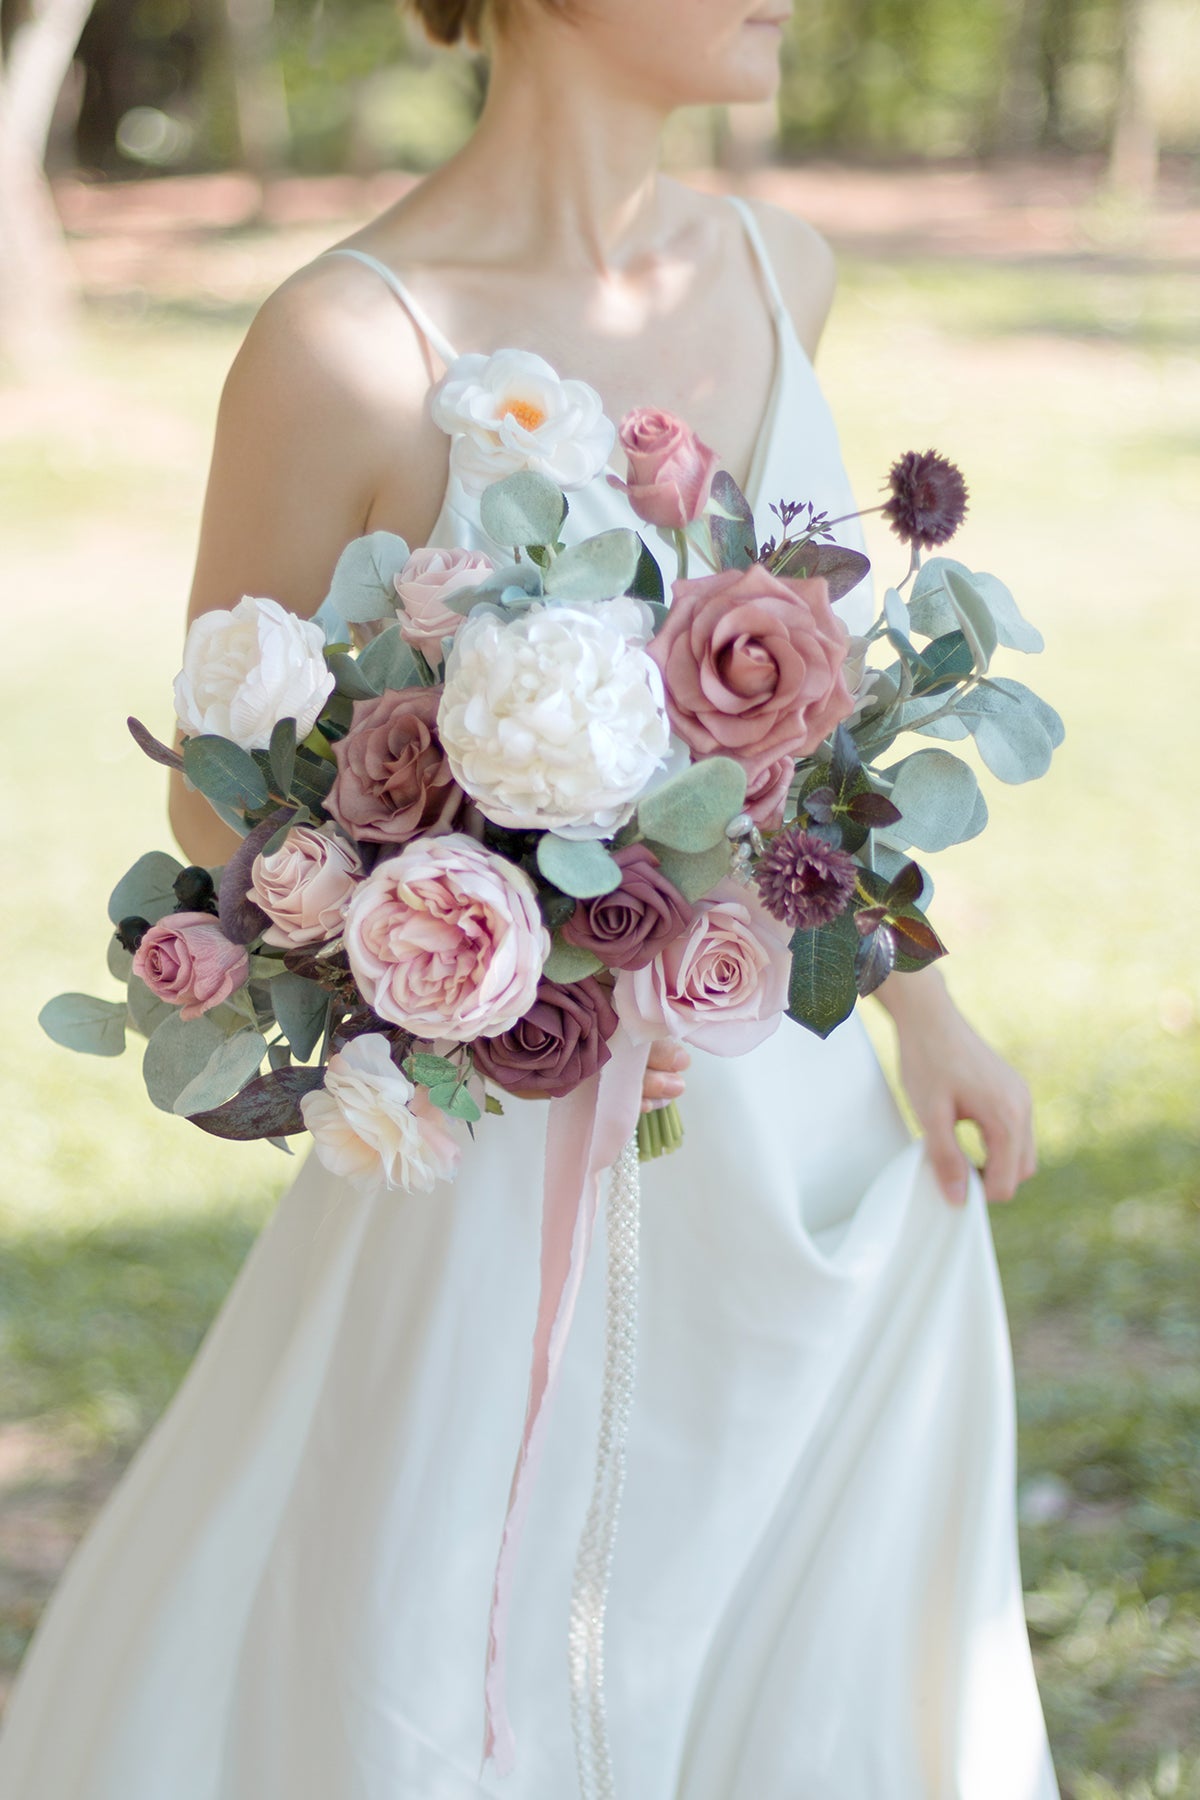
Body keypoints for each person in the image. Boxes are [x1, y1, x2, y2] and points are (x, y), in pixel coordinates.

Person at [0, 0, 1058, 1794]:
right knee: (442, 1610)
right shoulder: (344, 339)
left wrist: (921, 998)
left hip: (784, 1115)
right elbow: (218, 789)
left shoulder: (778, 264)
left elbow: (811, 712)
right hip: (509, 1115)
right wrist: (510, 925)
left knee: (785, 1618)